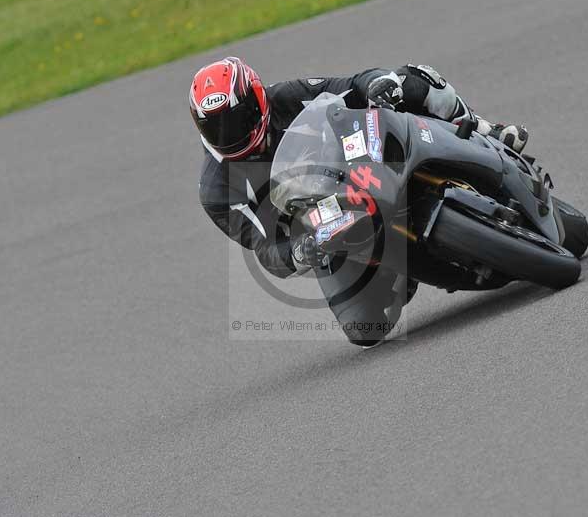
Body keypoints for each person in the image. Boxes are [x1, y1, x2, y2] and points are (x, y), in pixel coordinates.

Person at [191, 57, 528, 347]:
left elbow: (353, 84)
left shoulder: (288, 97)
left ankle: (486, 132)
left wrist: (378, 84)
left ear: (257, 98)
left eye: (235, 120)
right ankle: (398, 269)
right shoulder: (217, 190)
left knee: (412, 80)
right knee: (364, 329)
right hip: (326, 226)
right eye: (216, 128)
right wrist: (298, 252)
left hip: (360, 166)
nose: (229, 134)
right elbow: (264, 247)